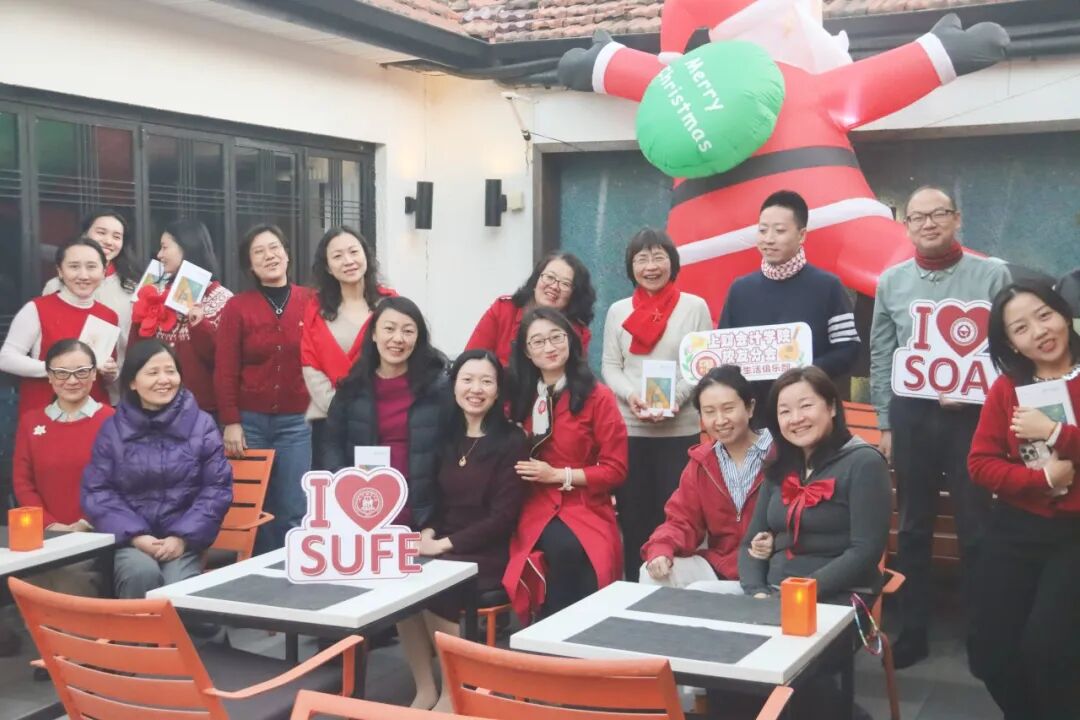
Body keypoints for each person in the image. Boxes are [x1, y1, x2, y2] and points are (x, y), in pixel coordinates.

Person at [869, 185, 1011, 668]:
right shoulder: (891, 282)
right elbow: (882, 353)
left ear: (957, 218)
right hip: (912, 416)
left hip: (973, 417)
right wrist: (885, 422)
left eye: (939, 214)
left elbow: (1008, 346)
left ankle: (983, 634)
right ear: (906, 226)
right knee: (912, 525)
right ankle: (912, 631)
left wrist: (979, 391)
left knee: (976, 525)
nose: (928, 223)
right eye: (917, 217)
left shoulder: (991, 274)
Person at [967, 282, 1080, 719]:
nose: (1039, 331)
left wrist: (1055, 434)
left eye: (1044, 315)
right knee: (988, 651)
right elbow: (980, 464)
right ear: (1011, 343)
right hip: (1015, 526)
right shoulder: (1007, 388)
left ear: (1063, 313)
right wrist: (1041, 478)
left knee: (1048, 649)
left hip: (1074, 535)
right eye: (1021, 327)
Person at [690, 366, 890, 604]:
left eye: (806, 406)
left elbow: (865, 552)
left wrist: (795, 594)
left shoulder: (864, 463)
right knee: (695, 594)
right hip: (774, 592)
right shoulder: (781, 463)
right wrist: (757, 592)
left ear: (832, 407)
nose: (796, 419)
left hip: (836, 596)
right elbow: (749, 544)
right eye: (785, 411)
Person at [397, 349, 528, 711]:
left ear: (498, 391)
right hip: (445, 541)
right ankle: (425, 688)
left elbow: (503, 518)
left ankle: (454, 692)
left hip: (488, 550)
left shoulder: (512, 441)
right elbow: (436, 500)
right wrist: (428, 532)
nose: (476, 389)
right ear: (454, 385)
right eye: (467, 380)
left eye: (486, 381)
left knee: (437, 586)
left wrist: (444, 544)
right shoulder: (447, 436)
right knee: (400, 585)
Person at [502, 307, 628, 620]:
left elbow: (615, 470)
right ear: (527, 352)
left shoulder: (599, 397)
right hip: (535, 502)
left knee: (586, 560)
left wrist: (559, 475)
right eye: (538, 341)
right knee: (562, 549)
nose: (549, 347)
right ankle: (548, 635)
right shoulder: (517, 397)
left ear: (570, 340)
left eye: (556, 337)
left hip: (585, 502)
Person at [81, 339, 232, 598]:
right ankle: (134, 628)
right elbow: (98, 491)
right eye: (152, 372)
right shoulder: (112, 430)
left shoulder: (202, 425)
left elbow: (216, 488)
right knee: (140, 573)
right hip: (131, 541)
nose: (164, 380)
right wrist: (136, 536)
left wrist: (182, 537)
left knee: (178, 587)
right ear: (132, 382)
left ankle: (193, 628)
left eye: (170, 371)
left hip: (184, 539)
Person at [602, 228, 713, 578]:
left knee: (679, 517)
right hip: (630, 430)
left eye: (658, 257)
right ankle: (634, 589)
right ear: (631, 266)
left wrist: (675, 399)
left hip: (679, 429)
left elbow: (701, 365)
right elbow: (611, 366)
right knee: (633, 516)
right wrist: (631, 396)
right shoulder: (618, 311)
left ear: (672, 262)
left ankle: (675, 589)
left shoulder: (694, 307)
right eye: (642, 259)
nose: (650, 266)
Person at [215, 224, 313, 552]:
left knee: (293, 506)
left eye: (274, 248)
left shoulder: (311, 301)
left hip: (297, 423)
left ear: (287, 254)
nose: (269, 256)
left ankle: (291, 569)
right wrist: (231, 421)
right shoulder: (237, 307)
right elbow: (225, 369)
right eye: (259, 252)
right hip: (250, 423)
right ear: (250, 265)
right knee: (253, 507)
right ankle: (257, 572)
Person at [718, 190, 860, 414]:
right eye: (763, 230)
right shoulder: (740, 290)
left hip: (809, 412)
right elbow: (724, 352)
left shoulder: (828, 286)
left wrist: (804, 374)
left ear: (801, 235)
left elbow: (848, 349)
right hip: (755, 416)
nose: (769, 239)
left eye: (780, 231)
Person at [322, 296, 451, 529]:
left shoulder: (438, 388)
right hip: (363, 507)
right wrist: (347, 488)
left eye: (408, 331)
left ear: (418, 338)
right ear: (373, 334)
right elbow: (332, 445)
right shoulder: (352, 388)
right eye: (389, 329)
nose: (398, 339)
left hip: (422, 512)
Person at [640, 365, 773, 587]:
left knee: (703, 589)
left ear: (750, 408)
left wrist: (776, 541)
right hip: (721, 566)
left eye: (728, 409)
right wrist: (661, 548)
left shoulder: (781, 454)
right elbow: (681, 520)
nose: (720, 420)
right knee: (653, 571)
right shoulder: (702, 462)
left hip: (772, 568)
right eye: (709, 412)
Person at [13, 339, 114, 596]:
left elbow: (120, 480)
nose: (72, 380)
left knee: (71, 580)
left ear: (94, 374)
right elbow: (23, 482)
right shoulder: (31, 422)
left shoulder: (112, 420)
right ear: (49, 376)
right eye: (61, 373)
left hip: (97, 534)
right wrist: (49, 525)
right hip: (43, 538)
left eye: (82, 372)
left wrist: (85, 523)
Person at [302, 226, 395, 467]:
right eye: (337, 256)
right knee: (335, 486)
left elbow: (401, 358)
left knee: (372, 487)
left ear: (366, 254)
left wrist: (370, 409)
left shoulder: (390, 305)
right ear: (327, 267)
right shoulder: (316, 309)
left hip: (381, 418)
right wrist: (342, 409)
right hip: (329, 420)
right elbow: (310, 364)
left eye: (354, 251)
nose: (348, 261)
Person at [1, 236, 119, 418]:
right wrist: (57, 370)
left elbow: (104, 375)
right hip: (46, 410)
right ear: (60, 271)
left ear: (104, 271)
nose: (83, 275)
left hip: (93, 412)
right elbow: (6, 358)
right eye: (74, 266)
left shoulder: (109, 315)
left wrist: (111, 372)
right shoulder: (37, 309)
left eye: (91, 267)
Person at [131, 219, 232, 415]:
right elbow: (136, 353)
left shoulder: (223, 300)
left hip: (201, 412)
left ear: (187, 247)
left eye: (164, 247)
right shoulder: (153, 292)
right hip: (154, 407)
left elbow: (222, 360)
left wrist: (200, 324)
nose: (159, 255)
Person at [43, 208, 138, 378]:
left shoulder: (133, 288)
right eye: (101, 232)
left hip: (115, 380)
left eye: (117, 237)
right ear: (84, 234)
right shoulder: (55, 286)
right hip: (64, 379)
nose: (108, 241)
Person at [466, 251, 596, 367]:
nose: (554, 287)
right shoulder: (503, 309)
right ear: (536, 280)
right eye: (550, 277)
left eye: (565, 284)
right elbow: (470, 361)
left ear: (574, 295)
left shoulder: (578, 332)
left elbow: (575, 377)